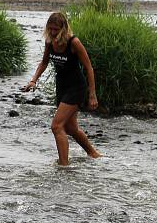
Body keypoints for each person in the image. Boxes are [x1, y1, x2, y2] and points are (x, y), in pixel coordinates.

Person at [22, 12, 101, 166]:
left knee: (56, 126)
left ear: (63, 28)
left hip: (77, 87)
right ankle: (93, 154)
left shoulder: (74, 42)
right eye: (50, 29)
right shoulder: (49, 42)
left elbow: (89, 67)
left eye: (56, 30)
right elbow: (44, 63)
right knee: (71, 128)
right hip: (62, 87)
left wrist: (92, 94)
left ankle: (63, 166)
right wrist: (33, 80)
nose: (52, 32)